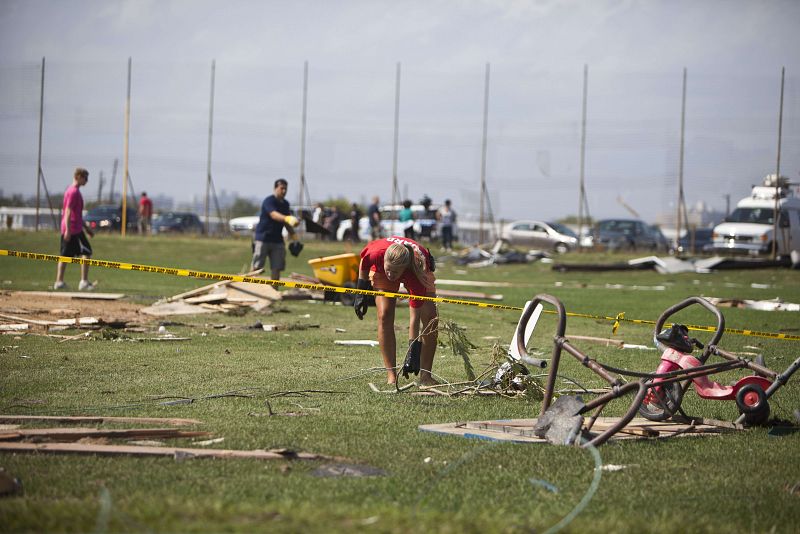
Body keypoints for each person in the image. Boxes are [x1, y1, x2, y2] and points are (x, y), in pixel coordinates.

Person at [354, 236, 438, 386]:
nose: (391, 275)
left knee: (430, 317)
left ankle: (426, 376)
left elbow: (414, 317)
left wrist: (413, 352)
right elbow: (364, 262)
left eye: (395, 272)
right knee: (384, 314)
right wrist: (360, 293)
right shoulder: (377, 254)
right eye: (389, 270)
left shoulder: (415, 275)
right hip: (385, 259)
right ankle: (391, 376)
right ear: (383, 261)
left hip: (416, 268)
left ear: (404, 271)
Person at [54, 167, 95, 291]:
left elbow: (76, 214)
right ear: (78, 176)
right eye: (85, 178)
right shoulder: (73, 192)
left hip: (75, 227)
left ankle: (59, 282)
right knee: (86, 252)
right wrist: (67, 230)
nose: (86, 181)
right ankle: (83, 281)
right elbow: (68, 211)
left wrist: (87, 228)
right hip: (73, 229)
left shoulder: (73, 191)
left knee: (65, 255)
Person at [251, 179, 300, 280]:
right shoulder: (269, 201)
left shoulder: (285, 204)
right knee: (257, 267)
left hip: (277, 240)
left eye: (285, 189)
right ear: (275, 188)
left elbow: (287, 223)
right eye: (282, 188)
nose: (284, 191)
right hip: (263, 238)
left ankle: (274, 292)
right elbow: (273, 215)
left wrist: (294, 237)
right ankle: (250, 289)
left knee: (277, 268)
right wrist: (287, 218)